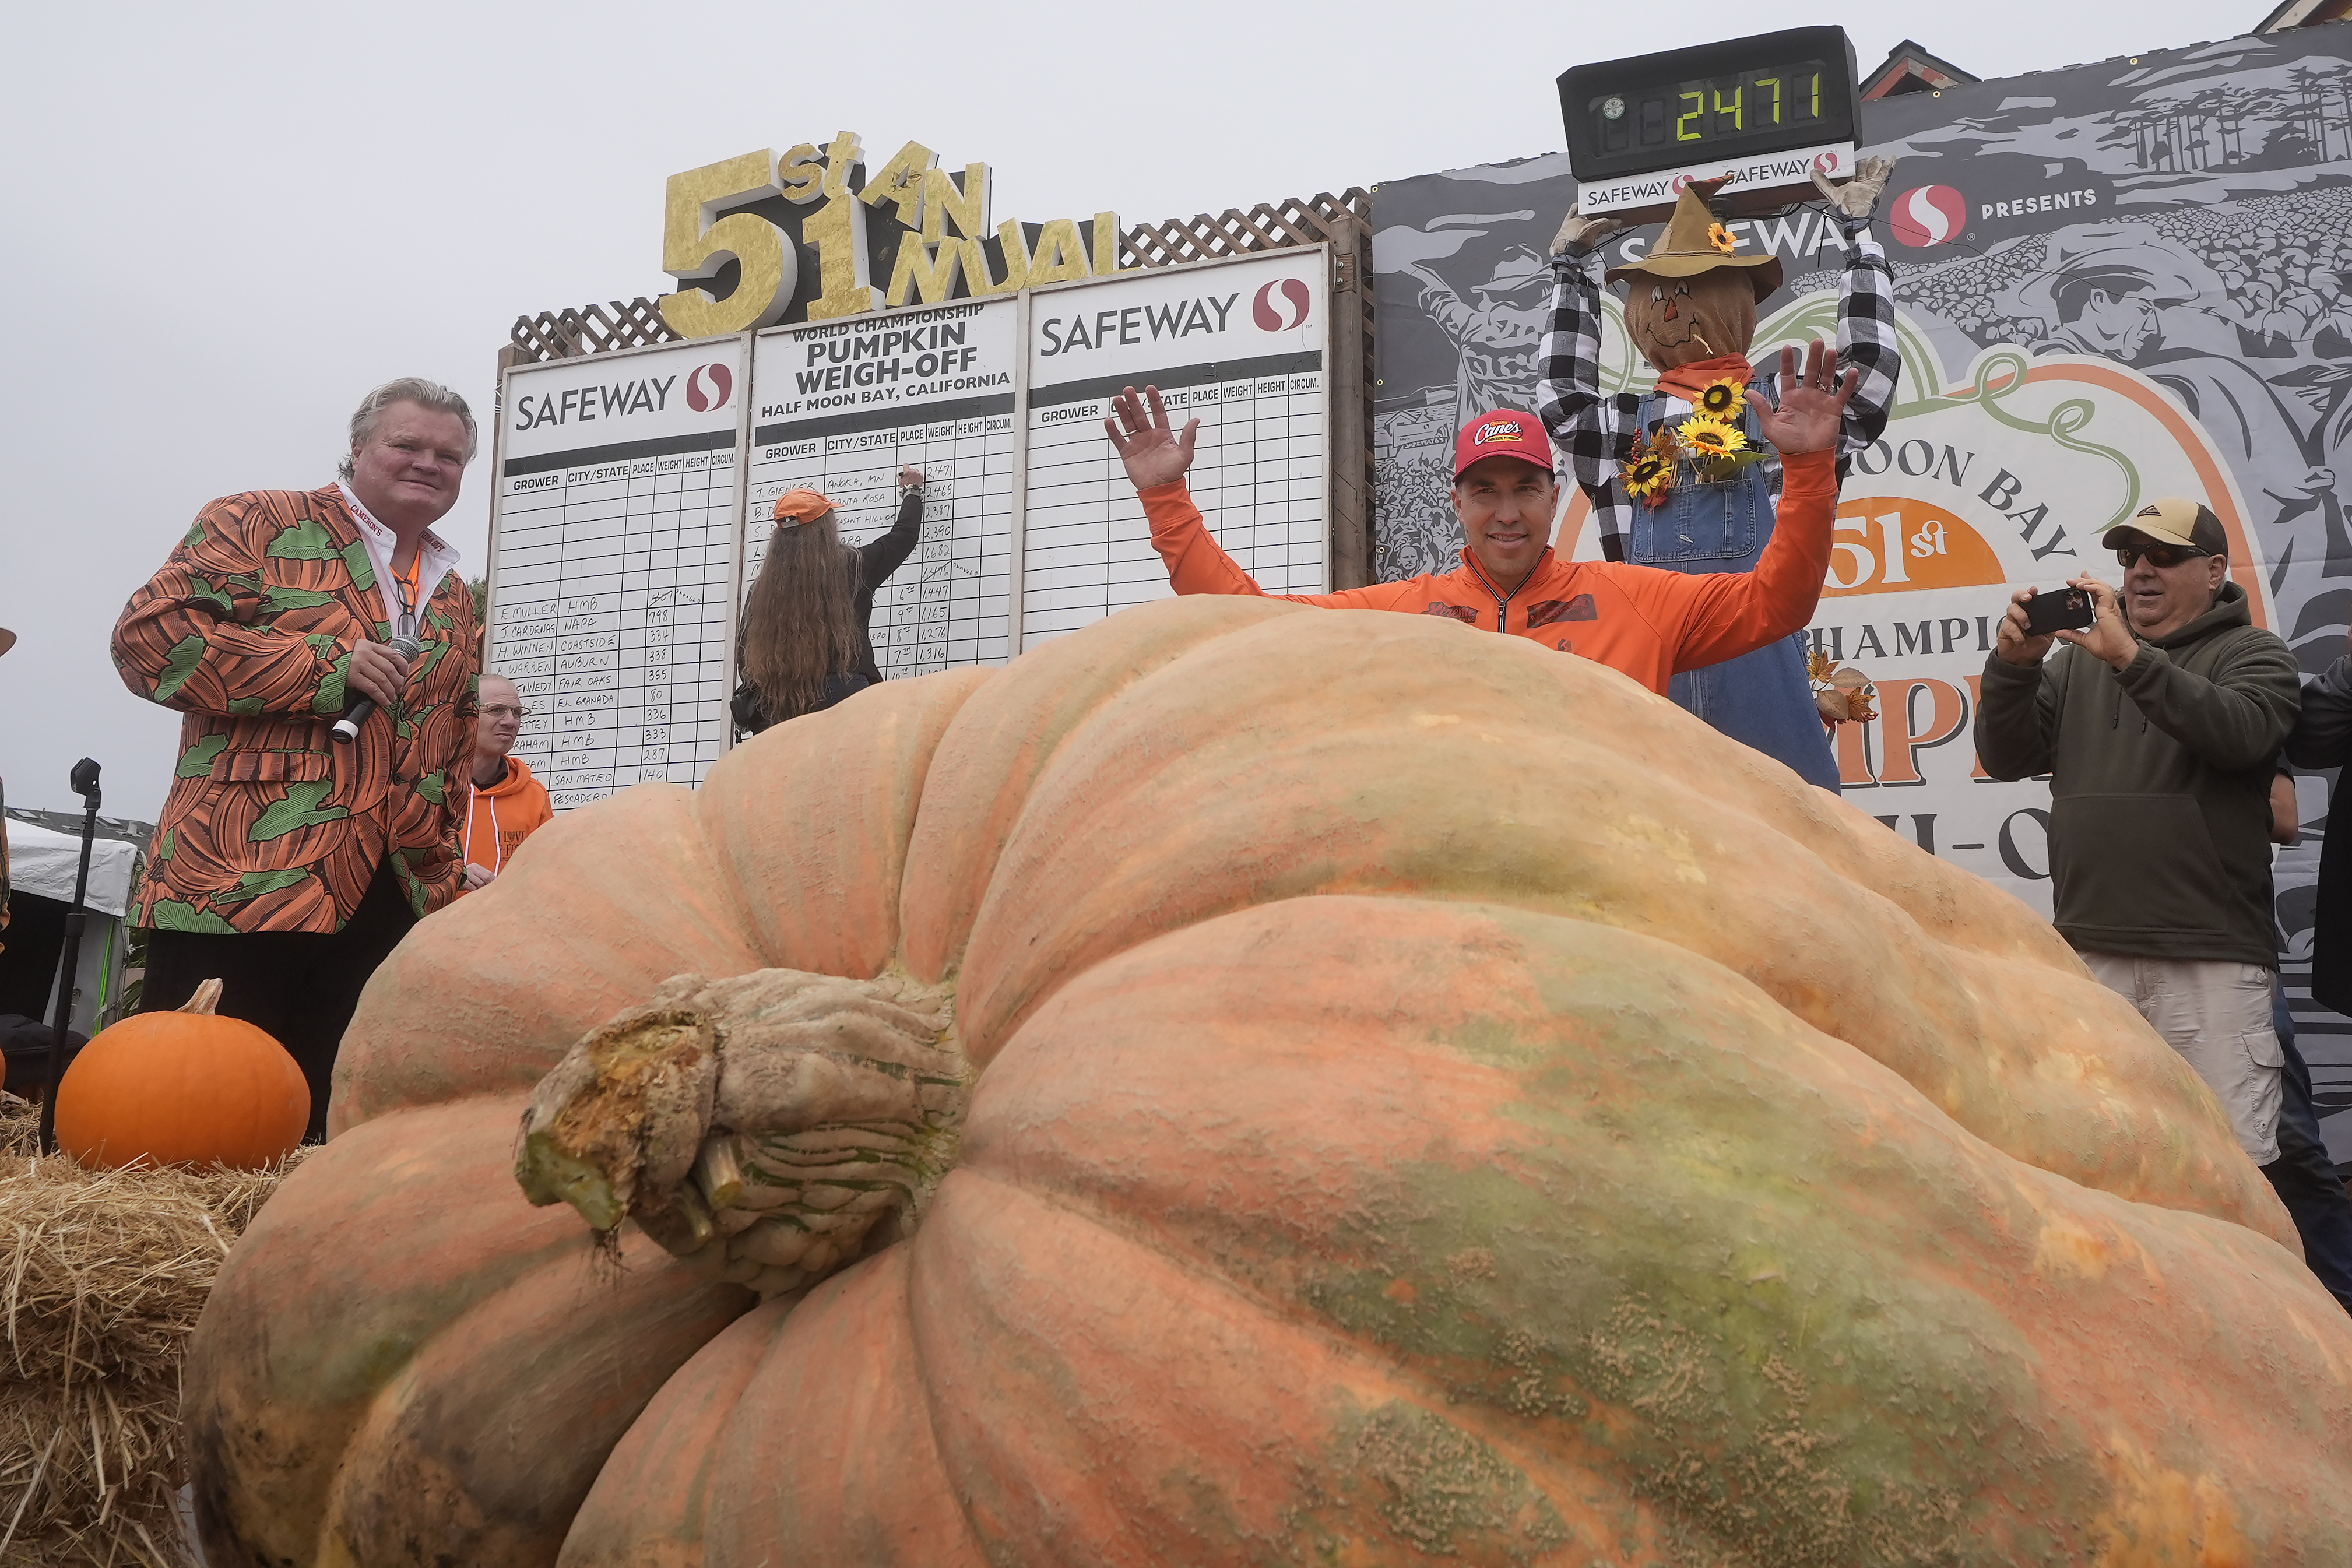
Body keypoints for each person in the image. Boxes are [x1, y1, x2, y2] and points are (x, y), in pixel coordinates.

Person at [1972, 498, 2349, 1303]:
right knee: (2109, 1162)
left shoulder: (2253, 651)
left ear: (2213, 573)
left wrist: (2128, 660)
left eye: (2162, 555)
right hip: (2090, 957)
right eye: (2129, 554)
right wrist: (2011, 663)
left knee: (2232, 1177)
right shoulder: (2074, 659)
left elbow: (2241, 734)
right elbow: (2004, 755)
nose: (2139, 568)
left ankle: (2271, 1334)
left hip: (2208, 960)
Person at [111, 377, 480, 1140]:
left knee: (329, 1132)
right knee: (193, 1121)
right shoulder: (257, 521)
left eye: (448, 454)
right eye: (407, 444)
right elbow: (147, 644)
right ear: (358, 449)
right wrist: (325, 668)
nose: (428, 463)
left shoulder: (454, 595)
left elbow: (452, 739)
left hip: (392, 896)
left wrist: (444, 880)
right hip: (244, 876)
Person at [1102, 338, 1857, 700]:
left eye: (1523, 490)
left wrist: (1806, 469)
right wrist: (1166, 501)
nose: (1505, 513)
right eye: (1484, 491)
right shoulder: (1405, 614)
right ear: (1455, 503)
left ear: (1553, 495)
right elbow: (1251, 622)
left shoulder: (1638, 602)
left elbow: (1774, 603)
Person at [1536, 164, 1900, 789]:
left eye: (1689, 291)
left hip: (1765, 668)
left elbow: (1865, 379)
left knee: (1793, 846)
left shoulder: (1785, 407)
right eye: (1656, 294)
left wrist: (1860, 240)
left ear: (1733, 303)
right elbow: (1562, 395)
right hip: (1650, 677)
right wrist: (1570, 275)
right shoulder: (1622, 426)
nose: (1670, 308)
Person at [732, 465, 926, 736]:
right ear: (825, 527)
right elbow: (902, 537)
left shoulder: (761, 591)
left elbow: (744, 658)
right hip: (843, 696)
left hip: (778, 706)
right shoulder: (851, 567)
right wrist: (912, 492)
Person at [459, 673, 551, 891]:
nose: (510, 722)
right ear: (466, 714)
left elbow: (548, 875)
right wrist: (452, 876)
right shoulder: (428, 785)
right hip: (429, 923)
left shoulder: (534, 796)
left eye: (517, 713)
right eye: (496, 710)